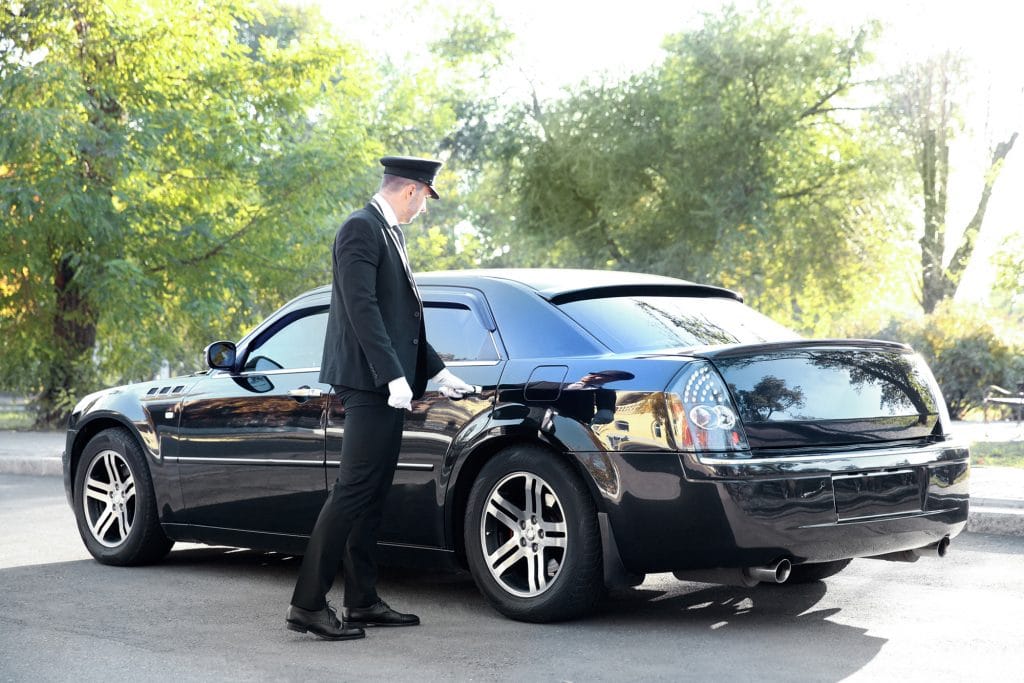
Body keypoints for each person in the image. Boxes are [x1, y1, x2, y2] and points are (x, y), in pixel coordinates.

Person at [286, 155, 475, 641]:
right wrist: (392, 376)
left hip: (385, 384)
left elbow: (399, 319)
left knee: (370, 494)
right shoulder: (360, 228)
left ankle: (362, 600)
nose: (424, 210)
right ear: (411, 190)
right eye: (426, 200)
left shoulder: (388, 233)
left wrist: (437, 371)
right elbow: (361, 308)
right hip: (369, 383)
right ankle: (307, 603)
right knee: (352, 490)